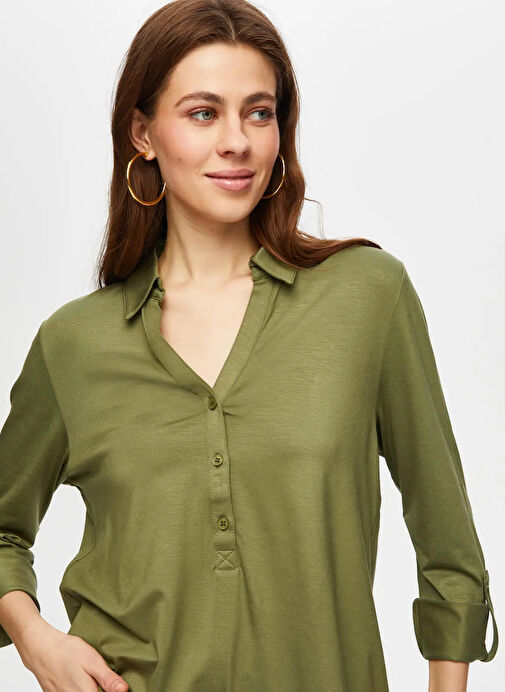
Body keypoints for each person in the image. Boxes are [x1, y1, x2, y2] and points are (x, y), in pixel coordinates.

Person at [0, 1, 498, 690]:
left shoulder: (365, 295)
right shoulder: (74, 344)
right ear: (143, 133)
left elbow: (447, 542)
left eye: (259, 113)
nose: (236, 141)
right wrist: (36, 640)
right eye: (203, 113)